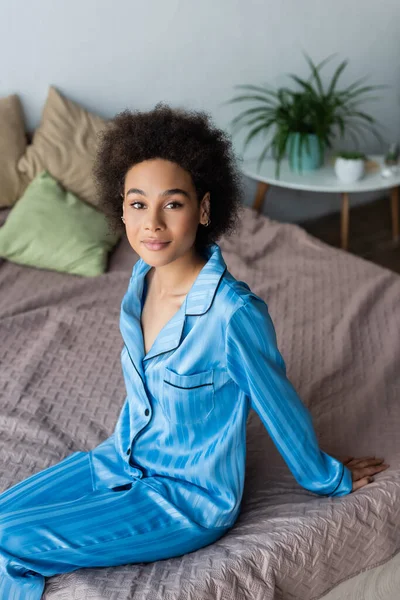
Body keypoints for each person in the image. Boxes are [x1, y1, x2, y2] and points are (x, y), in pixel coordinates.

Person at [0, 103, 389, 599]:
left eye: (174, 203)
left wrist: (327, 477)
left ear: (204, 209)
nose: (153, 224)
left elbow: (278, 401)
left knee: (8, 540)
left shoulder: (232, 313)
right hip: (118, 460)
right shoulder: (140, 280)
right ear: (121, 209)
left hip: (186, 500)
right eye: (138, 204)